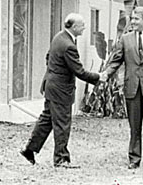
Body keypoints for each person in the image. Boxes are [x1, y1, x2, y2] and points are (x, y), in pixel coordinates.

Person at [20, 13, 106, 168]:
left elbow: (48, 57)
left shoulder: (58, 37)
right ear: (74, 27)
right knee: (62, 124)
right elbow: (79, 72)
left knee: (47, 120)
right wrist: (98, 77)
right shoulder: (69, 46)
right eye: (82, 25)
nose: (84, 27)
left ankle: (29, 150)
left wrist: (54, 72)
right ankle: (61, 159)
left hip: (52, 86)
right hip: (60, 90)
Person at [103, 7, 143, 169]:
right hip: (132, 87)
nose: (132, 22)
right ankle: (134, 158)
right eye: (132, 19)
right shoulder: (126, 39)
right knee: (134, 126)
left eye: (136, 19)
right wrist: (106, 74)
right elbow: (117, 60)